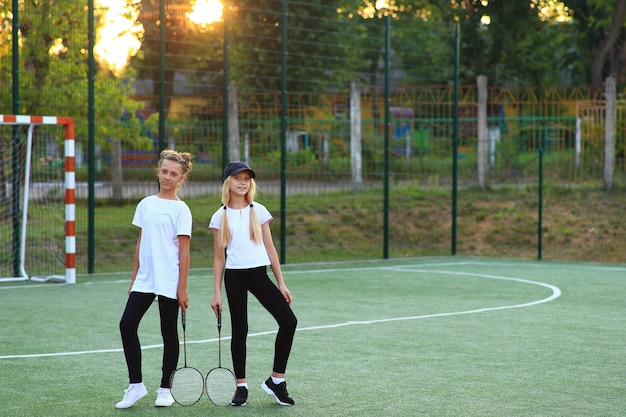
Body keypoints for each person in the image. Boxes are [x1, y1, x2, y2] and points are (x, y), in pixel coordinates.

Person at [209, 161, 298, 407]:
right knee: (240, 330)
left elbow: (270, 249)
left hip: (259, 275)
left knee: (289, 321)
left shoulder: (258, 210)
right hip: (234, 277)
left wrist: (281, 283)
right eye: (238, 178)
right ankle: (241, 387)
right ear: (228, 182)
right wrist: (216, 292)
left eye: (247, 178)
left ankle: (276, 381)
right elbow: (219, 259)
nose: (243, 182)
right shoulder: (220, 216)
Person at [115, 149, 193, 409]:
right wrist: (134, 277)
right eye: (164, 171)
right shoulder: (145, 203)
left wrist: (182, 287)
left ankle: (165, 389)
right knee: (127, 325)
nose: (167, 177)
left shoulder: (182, 210)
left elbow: (184, 250)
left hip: (170, 278)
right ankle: (136, 386)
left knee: (168, 333)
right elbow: (141, 242)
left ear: (181, 178)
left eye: (174, 174)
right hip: (145, 279)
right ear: (158, 170)